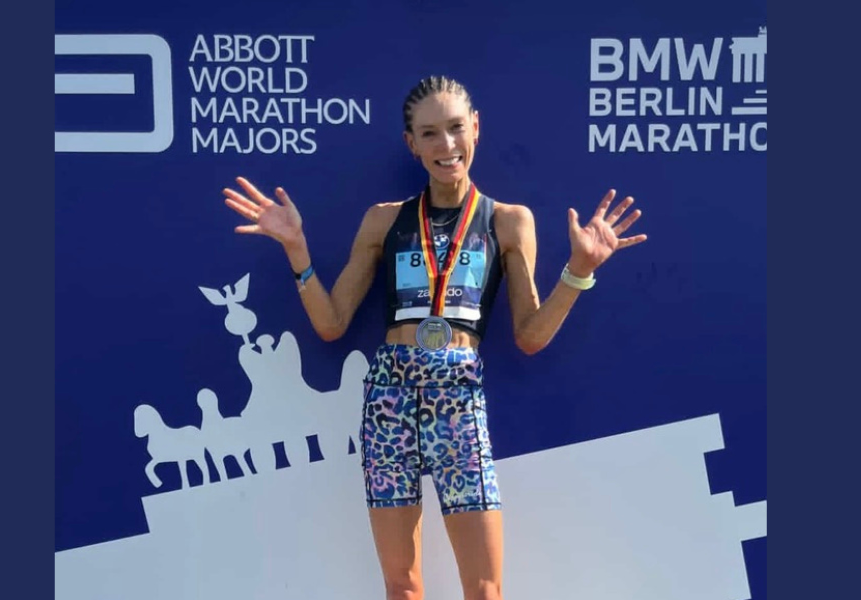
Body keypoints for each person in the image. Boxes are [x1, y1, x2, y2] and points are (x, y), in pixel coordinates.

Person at [223, 75, 647, 600]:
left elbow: (530, 335)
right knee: (402, 587)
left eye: (455, 128)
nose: (446, 145)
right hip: (389, 400)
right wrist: (297, 250)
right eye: (429, 134)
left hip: (458, 400)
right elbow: (331, 323)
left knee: (485, 589)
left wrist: (579, 271)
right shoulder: (383, 221)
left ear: (476, 128)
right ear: (412, 145)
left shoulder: (509, 222)